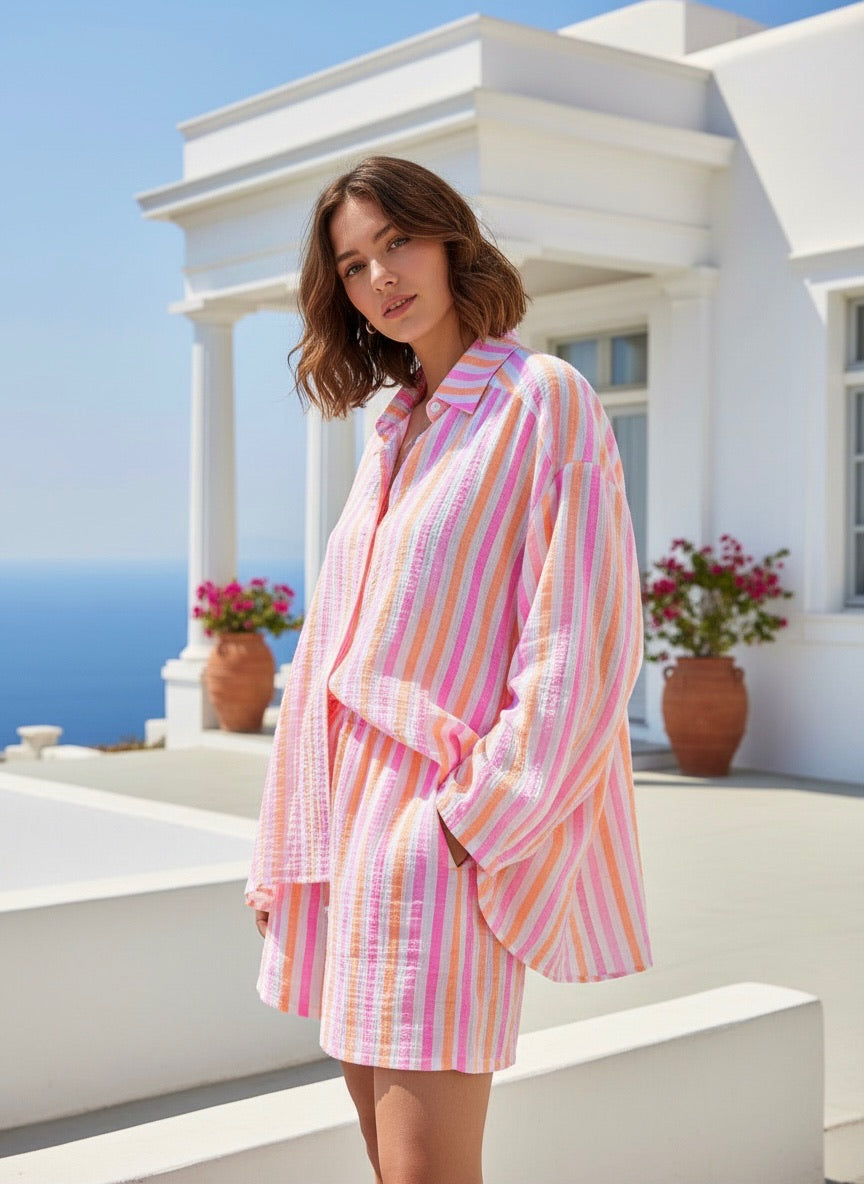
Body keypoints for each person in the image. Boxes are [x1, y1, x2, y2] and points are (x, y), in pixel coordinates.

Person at [246, 155, 652, 1184]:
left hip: (436, 832)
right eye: (352, 264)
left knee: (429, 1173)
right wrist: (289, 839)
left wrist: (473, 823)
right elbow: (333, 653)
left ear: (448, 237)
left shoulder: (542, 399)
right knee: (393, 1170)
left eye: (397, 242)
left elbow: (584, 638)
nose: (380, 277)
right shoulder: (389, 433)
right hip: (350, 832)